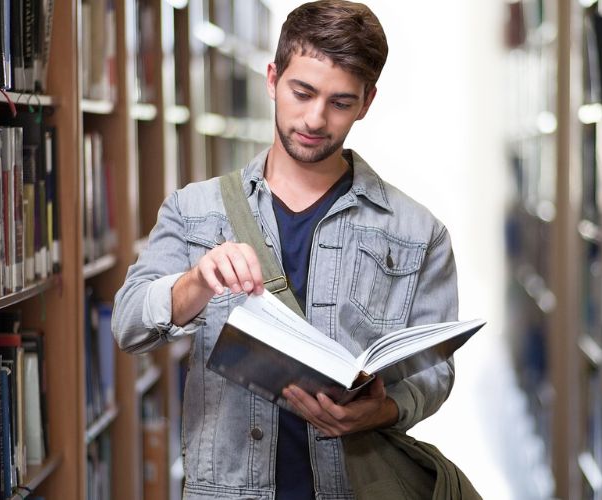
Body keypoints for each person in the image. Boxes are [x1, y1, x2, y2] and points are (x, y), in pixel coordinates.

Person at [112, 1, 459, 498]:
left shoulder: (420, 232)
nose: (315, 119)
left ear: (367, 102)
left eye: (340, 102)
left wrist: (382, 410)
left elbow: (435, 372)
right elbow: (128, 325)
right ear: (273, 79)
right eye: (303, 92)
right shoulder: (195, 210)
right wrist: (196, 282)